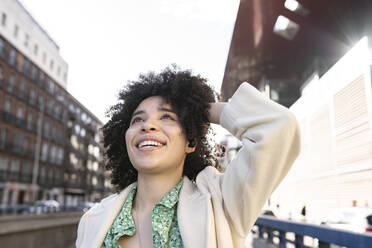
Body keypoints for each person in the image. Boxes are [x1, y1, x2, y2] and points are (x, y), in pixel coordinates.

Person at [76, 66, 301, 248]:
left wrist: (200, 110)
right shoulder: (93, 221)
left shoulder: (221, 204)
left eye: (166, 117)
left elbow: (280, 127)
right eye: (137, 120)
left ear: (191, 142)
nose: (148, 125)